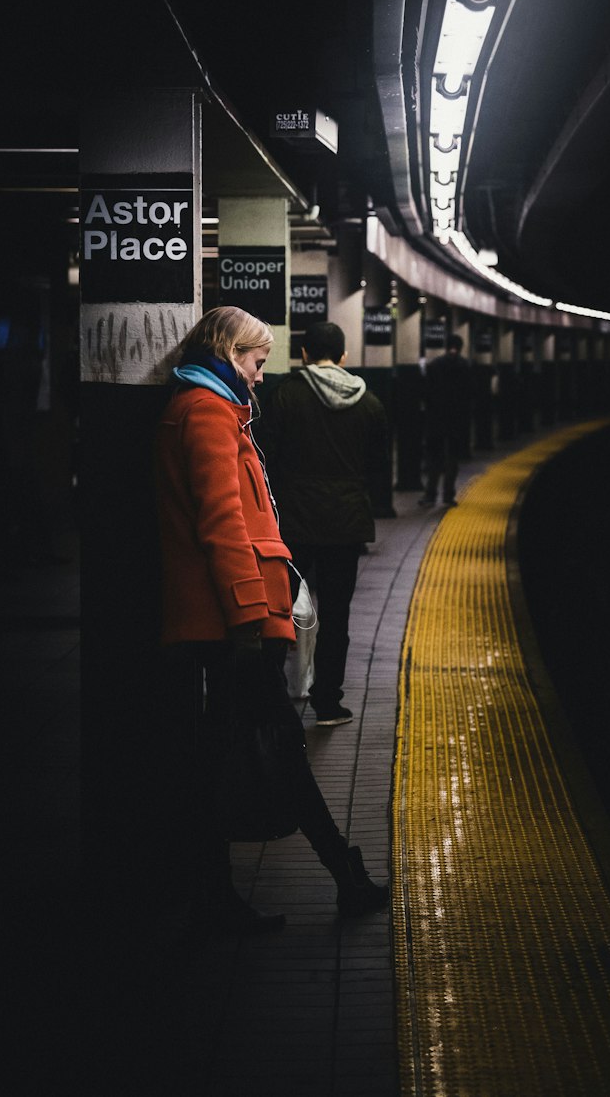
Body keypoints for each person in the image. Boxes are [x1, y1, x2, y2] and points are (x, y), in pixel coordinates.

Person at [153, 306, 388, 934]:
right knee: (273, 747)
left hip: (233, 619)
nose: (262, 374)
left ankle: (229, 892)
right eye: (257, 360)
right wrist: (249, 618)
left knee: (252, 751)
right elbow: (221, 523)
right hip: (234, 622)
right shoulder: (206, 413)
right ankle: (342, 876)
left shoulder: (218, 409)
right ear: (231, 350)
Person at [259, 321, 388, 727]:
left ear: (303, 355)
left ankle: (275, 698)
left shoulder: (284, 395)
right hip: (345, 522)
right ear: (344, 356)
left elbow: (268, 457)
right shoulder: (370, 403)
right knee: (337, 615)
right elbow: (377, 465)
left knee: (281, 609)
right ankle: (328, 703)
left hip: (294, 521)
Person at [420, 333, 472, 506]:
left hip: (436, 418)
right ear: (460, 346)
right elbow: (469, 395)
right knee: (452, 458)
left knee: (435, 458)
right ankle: (448, 496)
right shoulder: (465, 366)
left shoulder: (435, 365)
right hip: (457, 420)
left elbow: (426, 393)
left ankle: (430, 495)